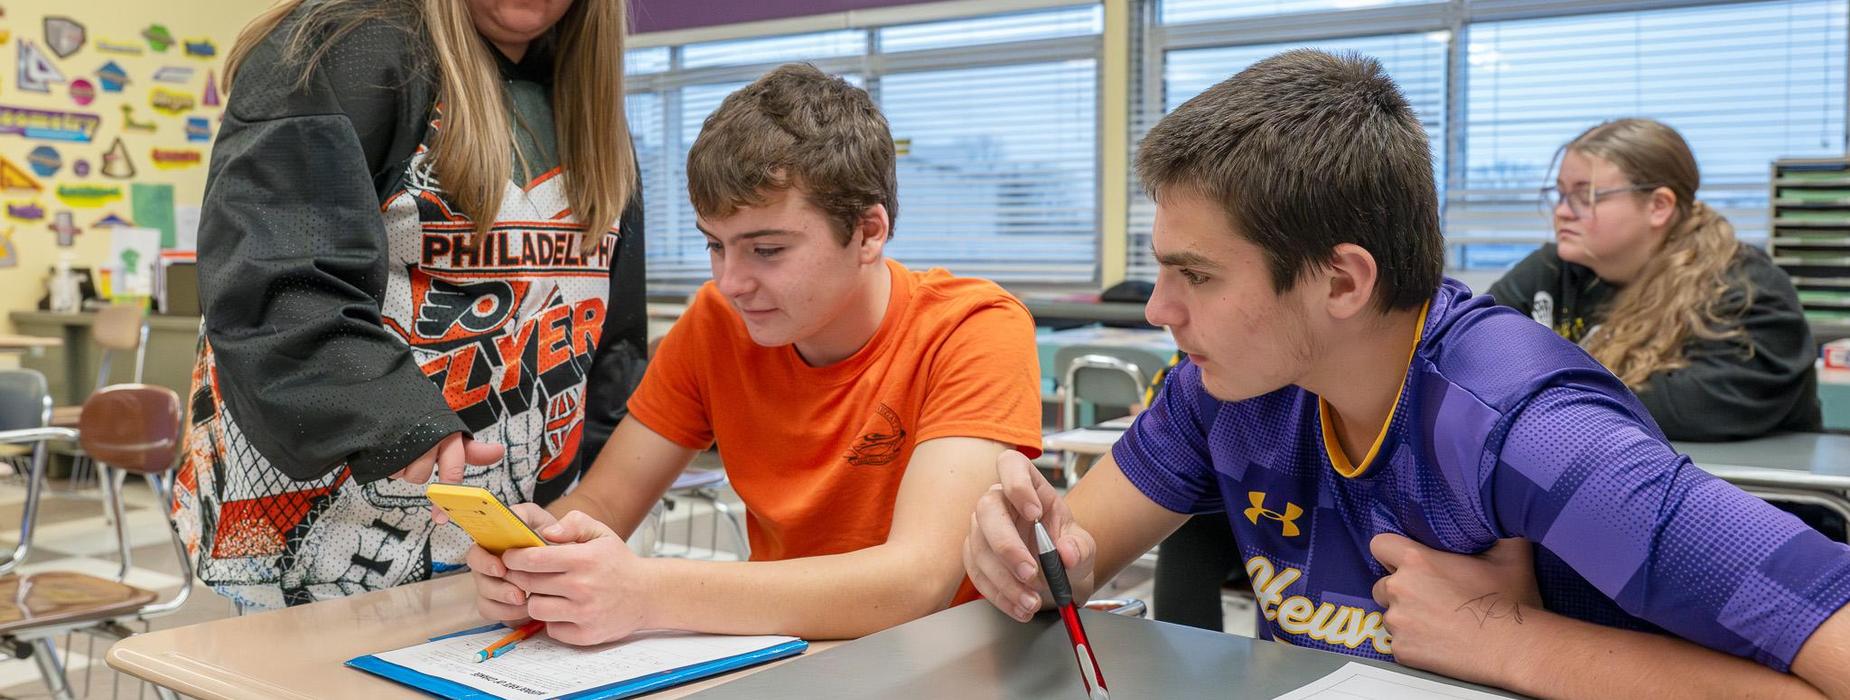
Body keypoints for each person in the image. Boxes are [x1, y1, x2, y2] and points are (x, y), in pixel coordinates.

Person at [963, 50, 1850, 698]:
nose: (1159, 311)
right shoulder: (1222, 386)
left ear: (1343, 280)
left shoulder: (1531, 431)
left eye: (1196, 275)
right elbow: (1070, 557)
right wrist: (1028, 555)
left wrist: (1504, 640)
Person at [465, 64, 1045, 646]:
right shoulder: (716, 324)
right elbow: (604, 501)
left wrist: (643, 592)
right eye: (715, 246)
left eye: (766, 249)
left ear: (869, 233)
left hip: (946, 660)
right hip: (787, 654)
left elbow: (915, 584)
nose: (730, 282)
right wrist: (542, 554)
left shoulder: (973, 328)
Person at [173, 0, 646, 609]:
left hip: (512, 546)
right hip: (325, 555)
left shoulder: (584, 105)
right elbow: (275, 281)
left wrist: (594, 497)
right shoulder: (347, 47)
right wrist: (398, 423)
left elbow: (613, 337)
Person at [1488, 118, 1820, 442]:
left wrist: (1529, 387)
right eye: (1560, 194)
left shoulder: (1744, 287)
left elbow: (1688, 408)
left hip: (1731, 488)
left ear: (1659, 206)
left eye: (1585, 196)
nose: (1561, 212)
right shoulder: (1556, 266)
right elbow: (1473, 348)